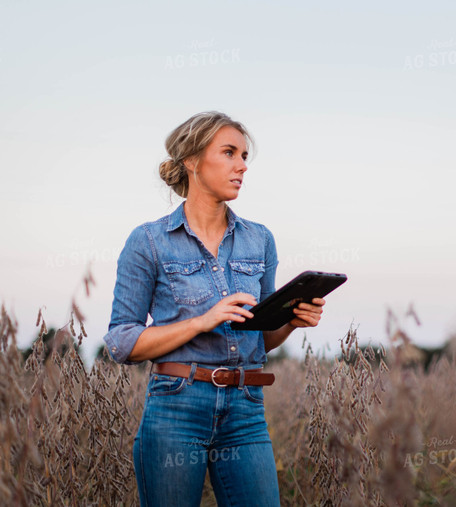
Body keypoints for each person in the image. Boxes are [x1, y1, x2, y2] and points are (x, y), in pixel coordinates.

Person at [103, 111, 325, 506]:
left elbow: (261, 337)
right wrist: (202, 322)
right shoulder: (149, 241)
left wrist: (290, 321)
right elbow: (122, 342)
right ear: (191, 161)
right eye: (229, 153)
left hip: (246, 411)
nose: (241, 165)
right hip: (176, 406)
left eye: (243, 156)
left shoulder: (260, 240)